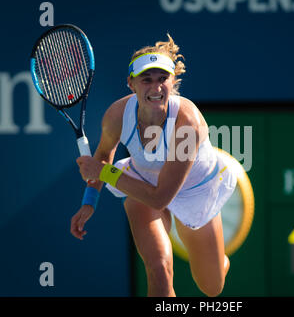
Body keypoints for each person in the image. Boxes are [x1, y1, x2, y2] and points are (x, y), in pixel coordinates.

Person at [71, 34, 237, 297]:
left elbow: (160, 197)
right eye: (146, 79)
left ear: (173, 82)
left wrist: (103, 172)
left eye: (162, 79)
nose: (156, 87)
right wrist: (90, 199)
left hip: (194, 191)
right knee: (158, 268)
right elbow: (104, 154)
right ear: (131, 84)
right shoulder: (117, 114)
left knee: (212, 288)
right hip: (143, 181)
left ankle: (220, 262)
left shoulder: (187, 124)